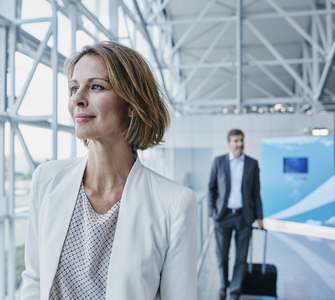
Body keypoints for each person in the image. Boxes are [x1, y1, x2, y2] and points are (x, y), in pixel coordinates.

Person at [20, 41, 197, 300]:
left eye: (96, 87)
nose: (77, 99)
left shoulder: (173, 204)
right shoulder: (47, 180)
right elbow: (35, 279)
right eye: (73, 88)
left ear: (132, 104)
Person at [208, 129, 263, 300]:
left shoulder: (252, 164)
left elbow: (256, 192)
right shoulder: (219, 162)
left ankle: (235, 291)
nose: (240, 144)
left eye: (241, 140)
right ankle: (224, 286)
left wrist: (260, 217)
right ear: (229, 143)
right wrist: (213, 212)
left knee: (241, 258)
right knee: (222, 256)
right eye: (236, 141)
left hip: (244, 217)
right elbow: (211, 188)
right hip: (223, 217)